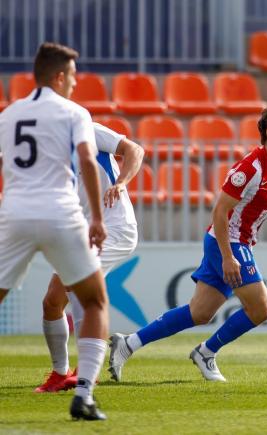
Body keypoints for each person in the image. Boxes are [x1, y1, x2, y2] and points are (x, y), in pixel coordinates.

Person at [108, 103, 267, 382]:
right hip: (227, 242)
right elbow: (219, 211)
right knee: (261, 309)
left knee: (200, 313)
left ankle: (128, 343)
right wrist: (228, 256)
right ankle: (207, 352)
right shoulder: (249, 168)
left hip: (235, 244)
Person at [0, 42, 109, 420]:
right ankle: (84, 396)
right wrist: (96, 217)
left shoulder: (9, 114)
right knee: (94, 301)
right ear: (60, 76)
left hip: (14, 214)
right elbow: (87, 161)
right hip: (61, 213)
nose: (76, 85)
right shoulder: (73, 112)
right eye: (74, 77)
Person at [34, 122, 144, 393]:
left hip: (115, 229)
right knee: (52, 302)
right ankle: (60, 374)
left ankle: (87, 372)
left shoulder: (86, 129)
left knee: (76, 285)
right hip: (83, 233)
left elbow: (134, 150)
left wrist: (121, 183)